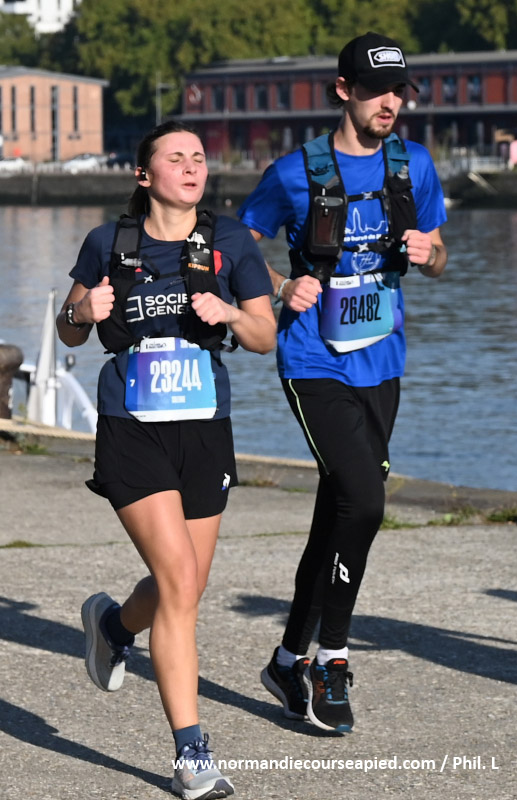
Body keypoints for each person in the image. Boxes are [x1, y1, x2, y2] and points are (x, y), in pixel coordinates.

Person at [57, 120, 276, 798]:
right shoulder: (109, 243)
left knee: (185, 586)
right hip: (132, 426)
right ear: (144, 175)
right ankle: (192, 754)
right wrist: (83, 311)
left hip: (204, 428)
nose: (191, 166)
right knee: (178, 578)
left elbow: (264, 335)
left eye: (199, 157)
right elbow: (68, 328)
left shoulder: (231, 241)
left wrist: (230, 315)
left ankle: (113, 625)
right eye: (175, 157)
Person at [238, 31, 448, 734]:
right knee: (366, 499)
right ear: (342, 90)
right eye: (375, 90)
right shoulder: (293, 173)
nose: (390, 103)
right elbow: (235, 249)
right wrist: (280, 285)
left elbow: (439, 254)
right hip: (312, 359)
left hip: (382, 359)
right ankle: (331, 658)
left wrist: (430, 253)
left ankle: (285, 660)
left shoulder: (414, 165)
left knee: (339, 513)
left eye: (399, 92)